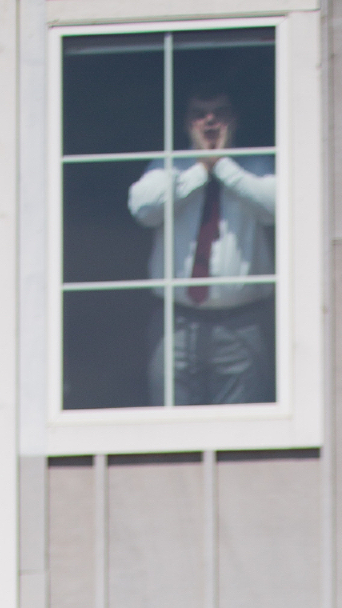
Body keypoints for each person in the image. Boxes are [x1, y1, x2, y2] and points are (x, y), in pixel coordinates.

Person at [128, 89, 276, 406]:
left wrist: (223, 167)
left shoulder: (257, 162)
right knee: (171, 423)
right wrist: (200, 171)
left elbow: (278, 207)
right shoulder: (168, 165)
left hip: (242, 322)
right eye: (199, 113)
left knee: (242, 427)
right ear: (187, 123)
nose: (209, 121)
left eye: (219, 113)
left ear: (233, 121)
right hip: (175, 322)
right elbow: (144, 209)